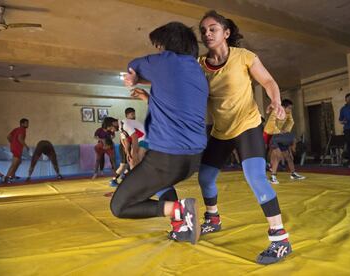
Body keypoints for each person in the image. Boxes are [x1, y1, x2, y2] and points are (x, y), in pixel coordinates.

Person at [197, 11, 291, 265]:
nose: (207, 34)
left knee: (255, 177)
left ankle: (280, 239)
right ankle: (213, 219)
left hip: (247, 125)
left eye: (213, 29)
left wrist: (276, 101)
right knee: (205, 178)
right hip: (220, 131)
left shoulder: (244, 57)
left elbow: (269, 80)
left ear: (226, 33)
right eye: (203, 30)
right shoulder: (198, 65)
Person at [110, 21, 208, 245]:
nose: (158, 51)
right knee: (162, 183)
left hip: (167, 158)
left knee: (119, 206)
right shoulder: (197, 72)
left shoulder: (167, 61)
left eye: (159, 46)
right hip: (192, 160)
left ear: (167, 45)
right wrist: (145, 85)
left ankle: (179, 209)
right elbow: (172, 100)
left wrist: (135, 79)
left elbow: (132, 65)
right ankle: (180, 225)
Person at [265, 99, 305, 184]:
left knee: (288, 157)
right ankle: (273, 176)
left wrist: (285, 130)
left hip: (280, 136)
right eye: (289, 108)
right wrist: (280, 131)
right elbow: (271, 125)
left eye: (291, 108)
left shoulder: (288, 113)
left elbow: (291, 121)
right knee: (278, 156)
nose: (290, 110)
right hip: (270, 134)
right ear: (283, 107)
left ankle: (293, 174)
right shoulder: (276, 112)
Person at [5, 118, 29, 183]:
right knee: (14, 164)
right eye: (26, 123)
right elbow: (20, 138)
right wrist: (26, 146)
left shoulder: (16, 129)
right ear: (22, 124)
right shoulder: (22, 129)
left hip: (14, 148)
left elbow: (8, 136)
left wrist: (12, 143)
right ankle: (7, 178)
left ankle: (12, 175)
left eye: (28, 123)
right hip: (17, 148)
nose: (28, 124)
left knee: (19, 161)